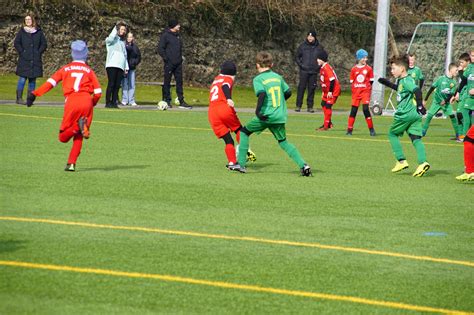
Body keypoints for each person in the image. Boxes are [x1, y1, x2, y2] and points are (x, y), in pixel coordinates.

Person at [26, 40, 102, 172]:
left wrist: (35, 94)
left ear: (72, 54)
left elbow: (51, 83)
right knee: (79, 136)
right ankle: (71, 163)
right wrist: (92, 103)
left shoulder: (65, 69)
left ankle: (76, 127)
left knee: (62, 137)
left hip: (72, 102)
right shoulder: (89, 71)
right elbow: (98, 92)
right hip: (86, 101)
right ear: (85, 54)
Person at [237, 52, 312, 176]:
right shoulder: (278, 77)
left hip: (266, 115)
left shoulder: (258, 79)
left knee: (244, 132)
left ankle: (241, 164)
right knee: (283, 142)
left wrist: (258, 112)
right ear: (271, 64)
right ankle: (304, 165)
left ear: (257, 65)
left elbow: (262, 94)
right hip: (279, 115)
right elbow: (288, 92)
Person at [378, 55, 430, 177]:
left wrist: (420, 106)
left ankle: (401, 160)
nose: (392, 71)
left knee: (392, 134)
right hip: (414, 115)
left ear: (402, 69)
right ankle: (423, 162)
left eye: (393, 68)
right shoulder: (404, 80)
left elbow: (417, 90)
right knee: (416, 138)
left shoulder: (406, 80)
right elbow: (401, 90)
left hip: (405, 114)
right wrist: (388, 83)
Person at [208, 61, 256, 170]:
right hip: (224, 109)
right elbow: (225, 86)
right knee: (240, 130)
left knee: (228, 140)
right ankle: (245, 149)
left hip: (212, 112)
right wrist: (229, 98)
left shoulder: (216, 79)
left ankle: (231, 162)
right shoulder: (228, 79)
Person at [158, 19, 192, 109]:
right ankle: (167, 100)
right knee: (167, 82)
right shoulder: (165, 36)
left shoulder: (178, 36)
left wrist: (180, 59)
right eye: (178, 25)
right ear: (173, 26)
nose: (179, 26)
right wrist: (167, 59)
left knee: (179, 82)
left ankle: (181, 100)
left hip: (178, 63)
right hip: (169, 63)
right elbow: (161, 49)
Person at [13, 13, 47, 105]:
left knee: (32, 80)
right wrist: (22, 51)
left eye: (29, 19)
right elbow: (17, 43)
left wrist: (38, 52)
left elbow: (44, 44)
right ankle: (19, 98)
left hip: (35, 60)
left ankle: (29, 99)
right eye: (26, 20)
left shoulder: (39, 32)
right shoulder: (22, 32)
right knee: (22, 79)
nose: (28, 21)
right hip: (24, 59)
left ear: (33, 21)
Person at [422, 63, 459, 140]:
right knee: (429, 115)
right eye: (456, 70)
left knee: (452, 116)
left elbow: (451, 94)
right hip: (437, 102)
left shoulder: (454, 83)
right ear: (451, 70)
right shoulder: (440, 79)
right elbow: (432, 88)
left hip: (446, 103)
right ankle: (423, 132)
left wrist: (445, 101)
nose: (457, 72)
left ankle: (458, 134)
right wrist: (425, 99)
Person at [346, 49, 376, 136]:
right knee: (353, 111)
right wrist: (357, 88)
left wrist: (365, 88)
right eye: (363, 58)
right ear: (359, 58)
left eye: (366, 57)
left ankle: (371, 129)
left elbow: (371, 81)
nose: (365, 59)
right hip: (356, 93)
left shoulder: (369, 69)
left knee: (365, 109)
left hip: (365, 92)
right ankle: (349, 130)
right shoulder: (353, 69)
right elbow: (352, 82)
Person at [295, 30, 324, 113]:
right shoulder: (302, 46)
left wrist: (318, 67)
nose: (310, 38)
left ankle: (310, 106)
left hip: (314, 72)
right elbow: (297, 57)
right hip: (304, 71)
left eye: (312, 36)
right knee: (301, 88)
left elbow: (323, 57)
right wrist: (301, 65)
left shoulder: (319, 47)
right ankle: (298, 106)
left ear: (314, 37)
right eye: (309, 36)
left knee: (311, 89)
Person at [105, 21, 128, 108]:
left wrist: (126, 67)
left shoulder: (122, 42)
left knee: (117, 85)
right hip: (111, 64)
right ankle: (108, 102)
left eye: (124, 30)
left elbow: (124, 56)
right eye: (121, 29)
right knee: (111, 83)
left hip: (120, 66)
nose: (123, 31)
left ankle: (114, 102)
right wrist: (115, 27)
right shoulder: (110, 40)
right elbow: (111, 38)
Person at [315, 50, 340, 131]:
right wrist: (324, 91)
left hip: (333, 90)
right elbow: (325, 81)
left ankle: (326, 126)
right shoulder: (322, 68)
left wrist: (330, 92)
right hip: (327, 90)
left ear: (323, 59)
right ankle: (328, 123)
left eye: (318, 59)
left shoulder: (326, 67)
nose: (317, 60)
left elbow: (332, 80)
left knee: (328, 106)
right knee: (323, 104)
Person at [452, 52, 473, 138]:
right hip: (465, 94)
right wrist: (457, 93)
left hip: (466, 95)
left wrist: (460, 71)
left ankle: (464, 135)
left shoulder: (468, 69)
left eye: (462, 62)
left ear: (467, 61)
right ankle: (462, 135)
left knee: (463, 112)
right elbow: (462, 83)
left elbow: (464, 80)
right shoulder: (468, 69)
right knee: (462, 113)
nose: (460, 64)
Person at [121, 32, 141, 106]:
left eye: (131, 37)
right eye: (128, 37)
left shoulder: (135, 47)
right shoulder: (123, 46)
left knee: (132, 84)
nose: (129, 38)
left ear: (133, 38)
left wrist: (134, 62)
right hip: (124, 68)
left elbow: (138, 56)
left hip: (132, 68)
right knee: (125, 84)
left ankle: (131, 100)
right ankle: (124, 100)